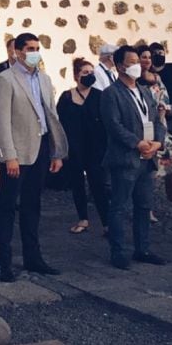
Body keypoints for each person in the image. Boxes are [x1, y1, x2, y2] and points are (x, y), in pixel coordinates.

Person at [0, 32, 68, 281]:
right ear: (17, 51)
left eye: (37, 47)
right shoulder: (5, 79)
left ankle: (33, 257)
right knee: (7, 206)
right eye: (30, 48)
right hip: (17, 151)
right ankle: (4, 262)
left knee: (32, 205)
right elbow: (2, 121)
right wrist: (9, 156)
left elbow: (51, 115)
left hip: (41, 148)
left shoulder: (44, 79)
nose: (35, 52)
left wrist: (56, 152)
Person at [102, 46, 167, 269]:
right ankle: (118, 252)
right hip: (126, 157)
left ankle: (143, 248)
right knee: (119, 206)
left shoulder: (145, 91)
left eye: (138, 61)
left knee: (144, 205)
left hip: (147, 158)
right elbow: (114, 125)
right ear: (120, 65)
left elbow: (157, 120)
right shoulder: (112, 93)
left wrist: (157, 142)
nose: (137, 65)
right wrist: (137, 143)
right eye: (132, 62)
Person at [56, 58, 109, 236]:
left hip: (95, 148)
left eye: (91, 72)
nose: (89, 76)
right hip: (74, 148)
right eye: (85, 73)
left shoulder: (100, 96)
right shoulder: (66, 97)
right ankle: (83, 219)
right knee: (77, 184)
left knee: (98, 185)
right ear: (76, 76)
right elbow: (59, 123)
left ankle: (106, 223)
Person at [138, 45, 172, 224]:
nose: (147, 60)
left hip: (158, 127)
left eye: (149, 57)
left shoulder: (157, 79)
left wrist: (162, 111)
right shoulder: (133, 80)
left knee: (152, 171)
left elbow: (166, 100)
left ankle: (148, 207)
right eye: (143, 57)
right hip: (141, 129)